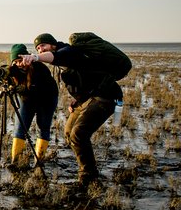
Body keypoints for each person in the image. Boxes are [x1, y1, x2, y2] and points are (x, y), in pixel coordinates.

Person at [19, 33, 124, 185]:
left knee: (78, 134)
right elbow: (86, 80)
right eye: (37, 48)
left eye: (43, 46)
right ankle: (85, 163)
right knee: (68, 132)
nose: (40, 49)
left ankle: (88, 176)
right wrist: (77, 100)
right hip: (89, 97)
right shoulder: (63, 62)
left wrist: (35, 57)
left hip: (105, 97)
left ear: (52, 44)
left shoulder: (68, 51)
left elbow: (55, 56)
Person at [8, 44, 59, 166]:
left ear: (27, 57)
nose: (20, 64)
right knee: (20, 129)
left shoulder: (40, 68)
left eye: (21, 60)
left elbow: (39, 90)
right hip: (26, 100)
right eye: (16, 62)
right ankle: (15, 162)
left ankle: (38, 162)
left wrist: (22, 89)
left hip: (47, 99)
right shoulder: (14, 71)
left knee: (43, 128)